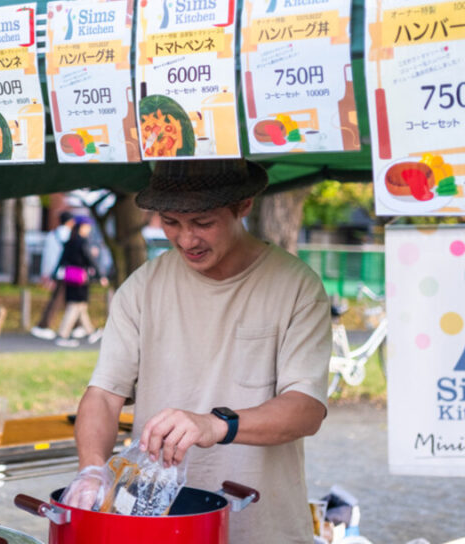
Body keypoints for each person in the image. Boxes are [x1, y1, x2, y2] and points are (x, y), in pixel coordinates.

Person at [71, 159, 331, 544]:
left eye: (203, 223)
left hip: (262, 526)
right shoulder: (143, 287)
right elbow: (104, 395)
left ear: (243, 204)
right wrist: (92, 469)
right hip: (159, 525)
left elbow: (306, 409)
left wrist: (214, 424)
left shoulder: (296, 286)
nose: (186, 239)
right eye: (171, 222)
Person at [52, 216, 107, 348]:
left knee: (81, 306)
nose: (89, 229)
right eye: (88, 227)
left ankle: (91, 332)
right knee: (75, 306)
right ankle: (62, 335)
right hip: (80, 277)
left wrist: (54, 274)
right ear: (82, 227)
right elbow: (90, 260)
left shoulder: (70, 241)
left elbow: (62, 259)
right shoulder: (82, 242)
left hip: (69, 277)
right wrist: (100, 276)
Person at [30, 210, 74, 340]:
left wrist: (46, 273)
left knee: (68, 299)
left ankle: (77, 326)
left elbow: (47, 256)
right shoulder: (71, 235)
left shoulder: (51, 235)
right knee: (62, 299)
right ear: (70, 222)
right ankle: (44, 325)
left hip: (56, 271)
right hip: (68, 272)